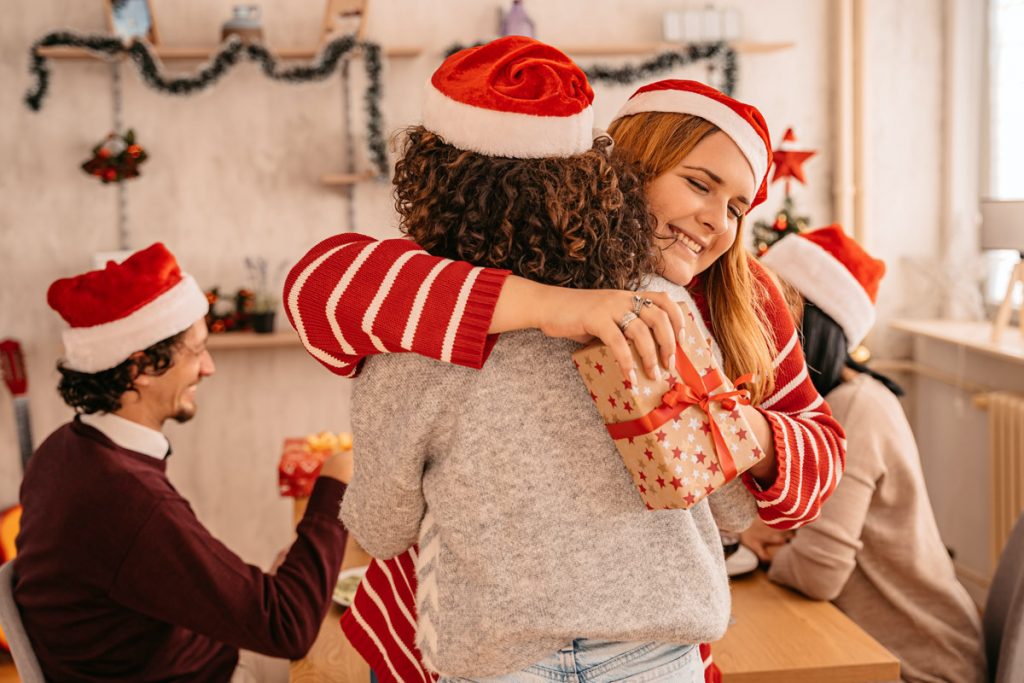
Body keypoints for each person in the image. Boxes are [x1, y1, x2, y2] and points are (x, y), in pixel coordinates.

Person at [288, 37, 844, 681]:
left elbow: (817, 455)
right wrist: (552, 305)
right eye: (698, 183)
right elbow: (319, 287)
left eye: (738, 209)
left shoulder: (738, 299)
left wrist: (736, 426)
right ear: (624, 170)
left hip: (579, 641)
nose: (718, 222)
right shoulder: (449, 284)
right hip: (480, 636)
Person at [13, 243, 352, 683]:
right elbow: (288, 627)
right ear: (140, 368)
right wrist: (335, 481)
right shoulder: (126, 499)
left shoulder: (63, 450)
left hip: (185, 654)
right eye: (196, 351)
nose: (208, 368)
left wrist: (252, 590)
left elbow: (156, 576)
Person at [742, 225, 987, 683]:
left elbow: (817, 573)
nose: (756, 323)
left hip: (923, 666)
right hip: (860, 643)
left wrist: (765, 546)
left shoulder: (854, 408)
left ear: (811, 327)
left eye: (771, 309)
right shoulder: (817, 407)